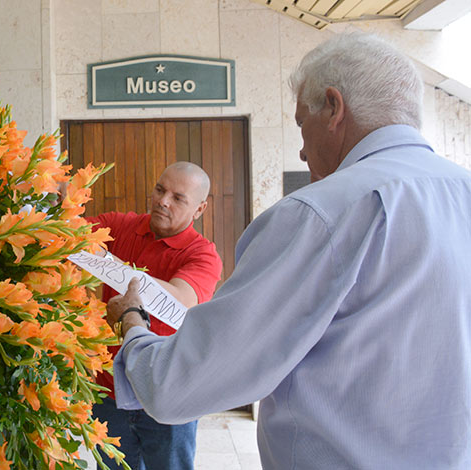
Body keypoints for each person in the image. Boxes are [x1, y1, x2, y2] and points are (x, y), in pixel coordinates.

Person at [107, 33, 471, 469]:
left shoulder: (320, 213)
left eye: (301, 123)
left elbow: (176, 385)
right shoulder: (462, 191)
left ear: (334, 108)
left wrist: (132, 320)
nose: (301, 148)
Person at [87, 161, 223, 470]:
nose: (163, 200)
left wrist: (104, 263)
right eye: (160, 190)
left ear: (199, 210)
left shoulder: (202, 254)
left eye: (178, 198)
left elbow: (178, 299)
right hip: (110, 393)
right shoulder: (119, 225)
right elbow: (71, 236)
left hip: (168, 396)